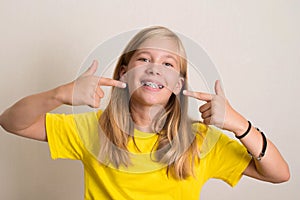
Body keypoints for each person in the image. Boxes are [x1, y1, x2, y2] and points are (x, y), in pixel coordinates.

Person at [0, 26, 290, 199]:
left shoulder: (200, 141)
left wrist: (239, 124)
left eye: (168, 63)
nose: (154, 67)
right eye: (144, 58)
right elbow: (12, 122)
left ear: (178, 84)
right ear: (124, 74)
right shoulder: (93, 129)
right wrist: (60, 94)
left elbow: (279, 174)